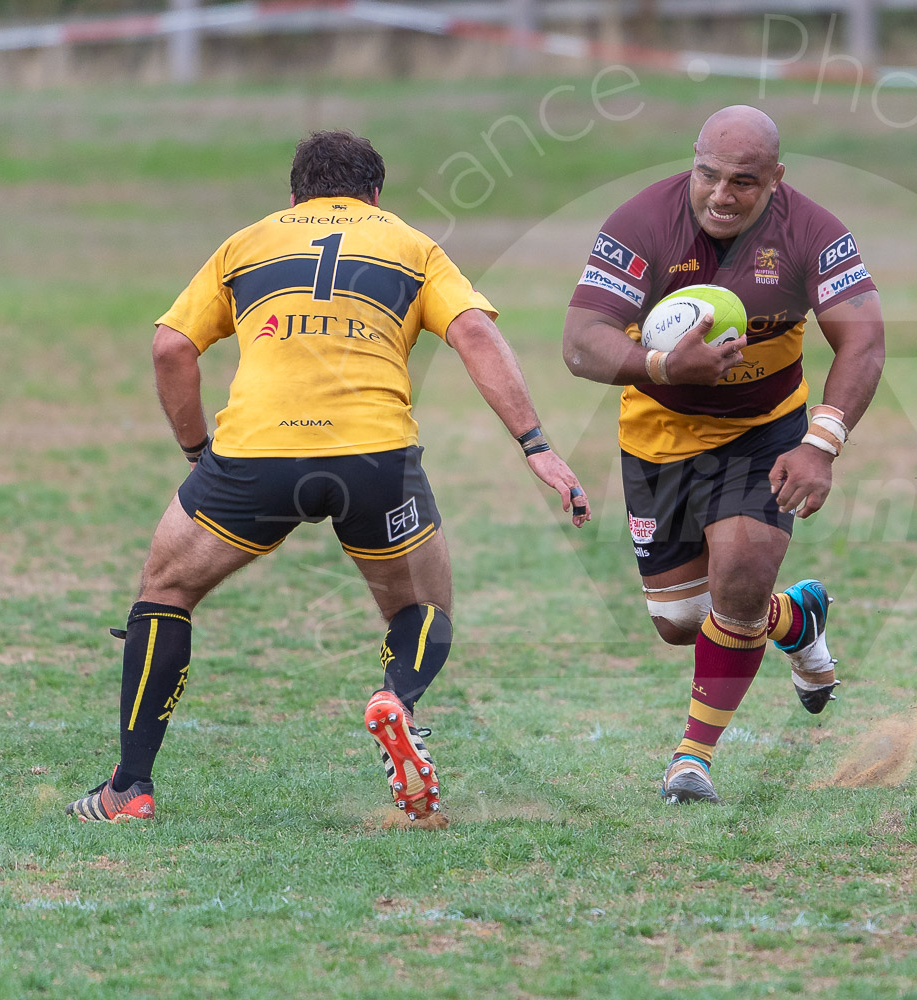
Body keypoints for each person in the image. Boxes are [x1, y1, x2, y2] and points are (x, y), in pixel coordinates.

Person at [66, 130, 590, 824]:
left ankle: (128, 788)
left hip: (255, 456)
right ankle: (394, 702)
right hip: (374, 458)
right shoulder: (410, 244)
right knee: (421, 609)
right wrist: (535, 446)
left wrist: (200, 456)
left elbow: (170, 347)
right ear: (375, 195)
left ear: (293, 196)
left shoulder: (248, 243)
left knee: (164, 592)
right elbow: (475, 335)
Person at [562, 105, 884, 804]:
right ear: (693, 162)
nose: (720, 194)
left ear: (776, 179)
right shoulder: (641, 225)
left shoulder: (814, 232)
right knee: (682, 623)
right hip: (660, 435)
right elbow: (581, 340)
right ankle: (796, 618)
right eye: (709, 174)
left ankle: (691, 761)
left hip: (764, 432)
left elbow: (865, 340)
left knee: (738, 577)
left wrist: (821, 445)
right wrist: (661, 365)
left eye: (743, 181)